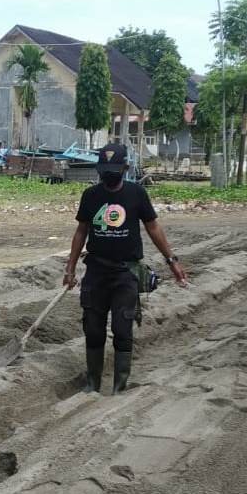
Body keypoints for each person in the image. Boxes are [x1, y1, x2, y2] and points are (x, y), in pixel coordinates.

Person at [63, 143, 188, 395]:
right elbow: (81, 231)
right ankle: (92, 383)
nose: (109, 174)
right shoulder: (91, 196)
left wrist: (172, 260)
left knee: (122, 329)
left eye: (114, 169)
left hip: (126, 273)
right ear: (99, 170)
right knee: (93, 329)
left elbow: (153, 228)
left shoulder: (137, 194)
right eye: (104, 170)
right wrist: (70, 267)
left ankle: (120, 385)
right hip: (96, 271)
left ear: (125, 168)